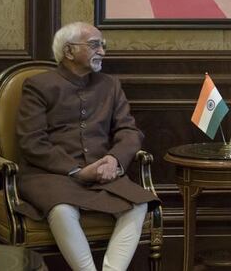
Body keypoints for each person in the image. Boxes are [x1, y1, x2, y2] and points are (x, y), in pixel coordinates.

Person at [16, 22, 159, 271]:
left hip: (103, 172)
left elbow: (129, 130)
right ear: (69, 51)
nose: (103, 51)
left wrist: (114, 159)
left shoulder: (110, 85)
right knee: (61, 210)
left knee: (139, 205)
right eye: (95, 45)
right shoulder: (38, 86)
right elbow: (32, 141)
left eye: (103, 45)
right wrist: (76, 170)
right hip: (51, 174)